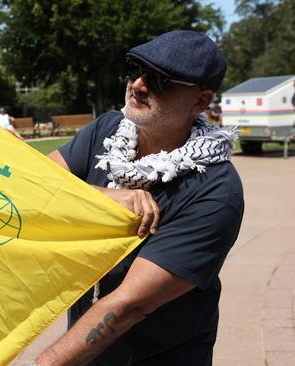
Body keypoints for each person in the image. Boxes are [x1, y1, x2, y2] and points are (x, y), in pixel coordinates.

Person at [35, 31, 244, 365]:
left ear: (201, 101)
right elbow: (32, 184)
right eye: (136, 69)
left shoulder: (216, 192)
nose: (139, 85)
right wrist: (101, 198)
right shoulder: (107, 129)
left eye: (161, 81)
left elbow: (128, 306)